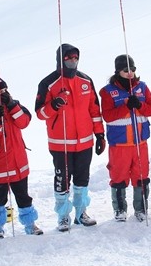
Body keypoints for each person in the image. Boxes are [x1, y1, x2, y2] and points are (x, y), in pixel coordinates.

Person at [35, 44, 104, 231]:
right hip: (61, 143)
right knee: (63, 180)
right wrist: (54, 105)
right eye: (69, 58)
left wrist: (100, 134)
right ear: (60, 59)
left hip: (84, 142)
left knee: (82, 179)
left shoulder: (86, 81)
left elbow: (94, 110)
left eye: (75, 57)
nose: (73, 61)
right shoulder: (48, 83)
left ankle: (81, 213)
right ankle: (63, 216)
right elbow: (40, 113)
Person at [0, 75, 43, 238]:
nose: (3, 93)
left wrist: (11, 105)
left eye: (5, 90)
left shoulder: (14, 105)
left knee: (23, 196)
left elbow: (24, 122)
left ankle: (30, 224)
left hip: (18, 162)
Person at [100, 54, 151, 221]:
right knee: (119, 177)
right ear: (118, 71)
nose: (130, 72)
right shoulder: (107, 91)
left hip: (140, 143)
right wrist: (125, 106)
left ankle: (141, 208)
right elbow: (108, 116)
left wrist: (139, 105)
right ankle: (120, 210)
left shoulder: (142, 87)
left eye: (133, 69)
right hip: (120, 144)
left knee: (141, 176)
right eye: (126, 70)